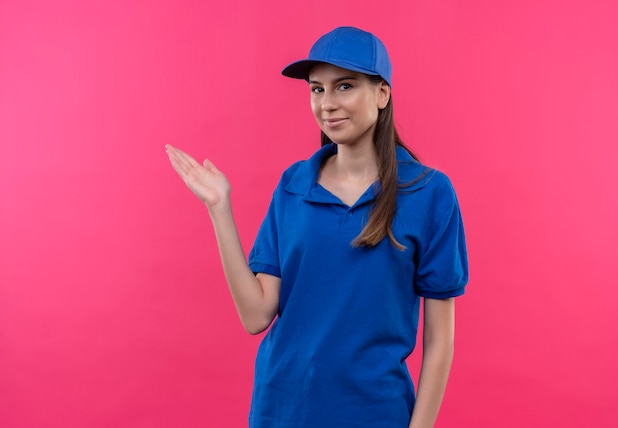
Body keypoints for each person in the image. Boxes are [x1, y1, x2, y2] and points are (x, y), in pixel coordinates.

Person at [166, 26, 468, 428]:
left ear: (382, 94)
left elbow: (440, 341)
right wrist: (220, 210)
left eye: (344, 86)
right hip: (281, 410)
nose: (327, 104)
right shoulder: (294, 185)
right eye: (316, 89)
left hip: (376, 414)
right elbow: (256, 315)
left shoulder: (430, 194)